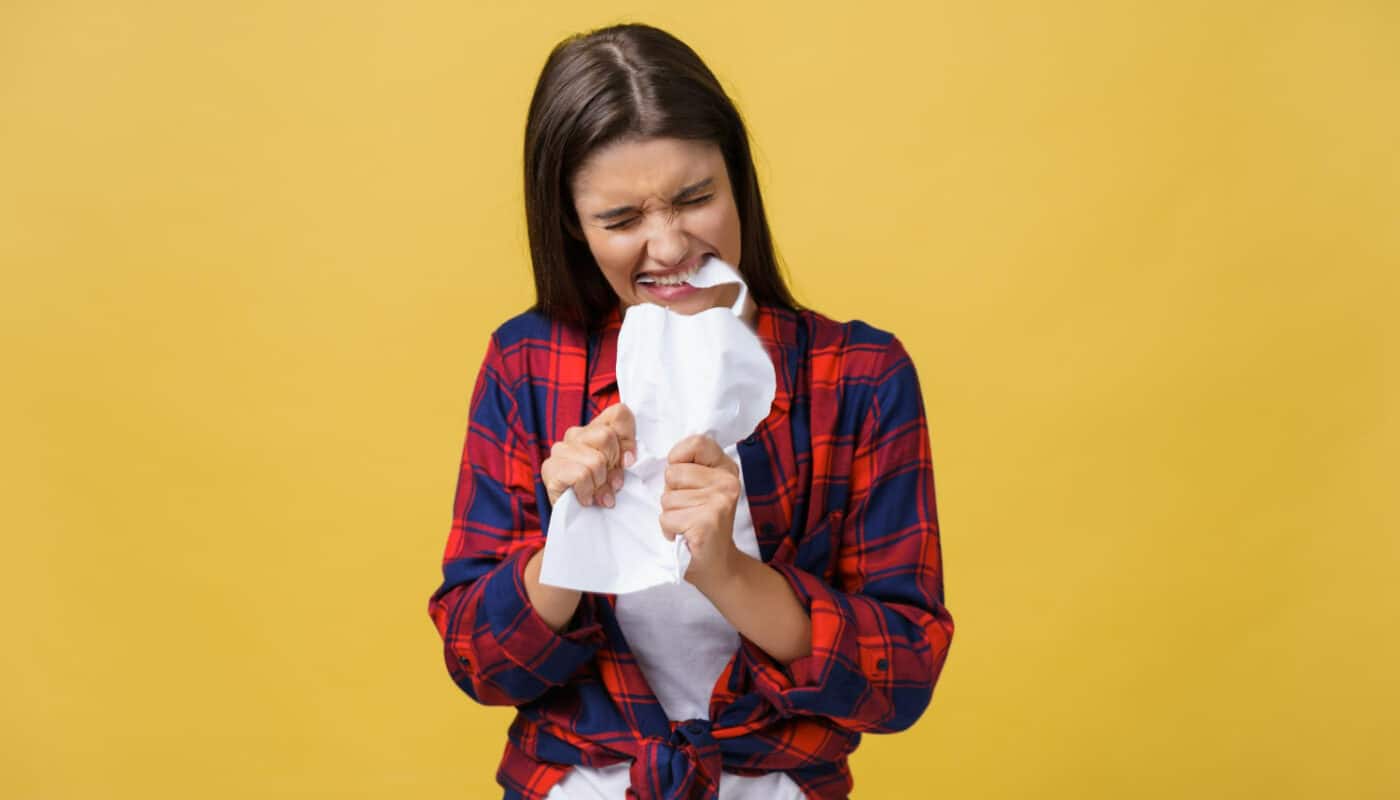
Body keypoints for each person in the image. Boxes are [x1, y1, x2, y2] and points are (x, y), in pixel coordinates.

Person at [427, 22, 954, 800]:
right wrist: (570, 539)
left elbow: (902, 677)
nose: (669, 246)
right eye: (621, 220)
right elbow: (479, 663)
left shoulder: (861, 377)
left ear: (737, 181)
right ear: (574, 224)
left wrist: (732, 575)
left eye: (695, 198)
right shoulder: (527, 364)